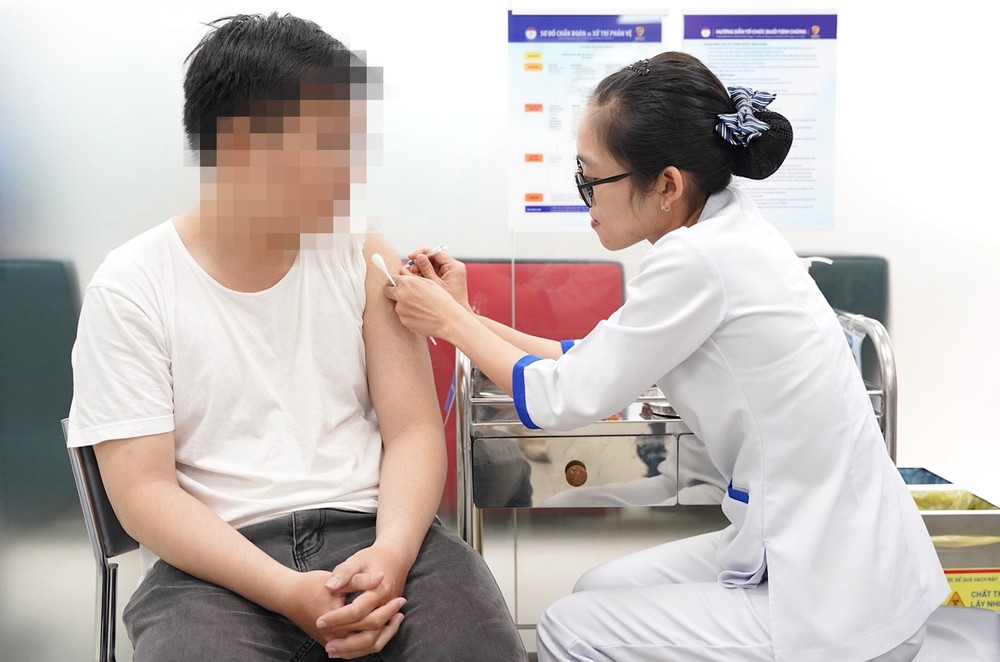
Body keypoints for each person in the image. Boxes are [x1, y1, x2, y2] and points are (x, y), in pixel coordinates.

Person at [384, 52, 949, 661]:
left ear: (667, 185)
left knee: (570, 629)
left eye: (591, 179)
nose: (585, 199)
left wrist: (448, 323)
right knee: (597, 590)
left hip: (837, 596)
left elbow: (561, 396)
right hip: (828, 552)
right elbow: (587, 359)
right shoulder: (726, 230)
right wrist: (462, 316)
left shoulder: (697, 259)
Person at [66, 13, 526, 662]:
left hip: (379, 532)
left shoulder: (361, 255)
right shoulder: (132, 286)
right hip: (215, 562)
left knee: (473, 646)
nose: (349, 171)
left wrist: (392, 556)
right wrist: (285, 590)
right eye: (328, 145)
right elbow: (144, 491)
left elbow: (414, 431)